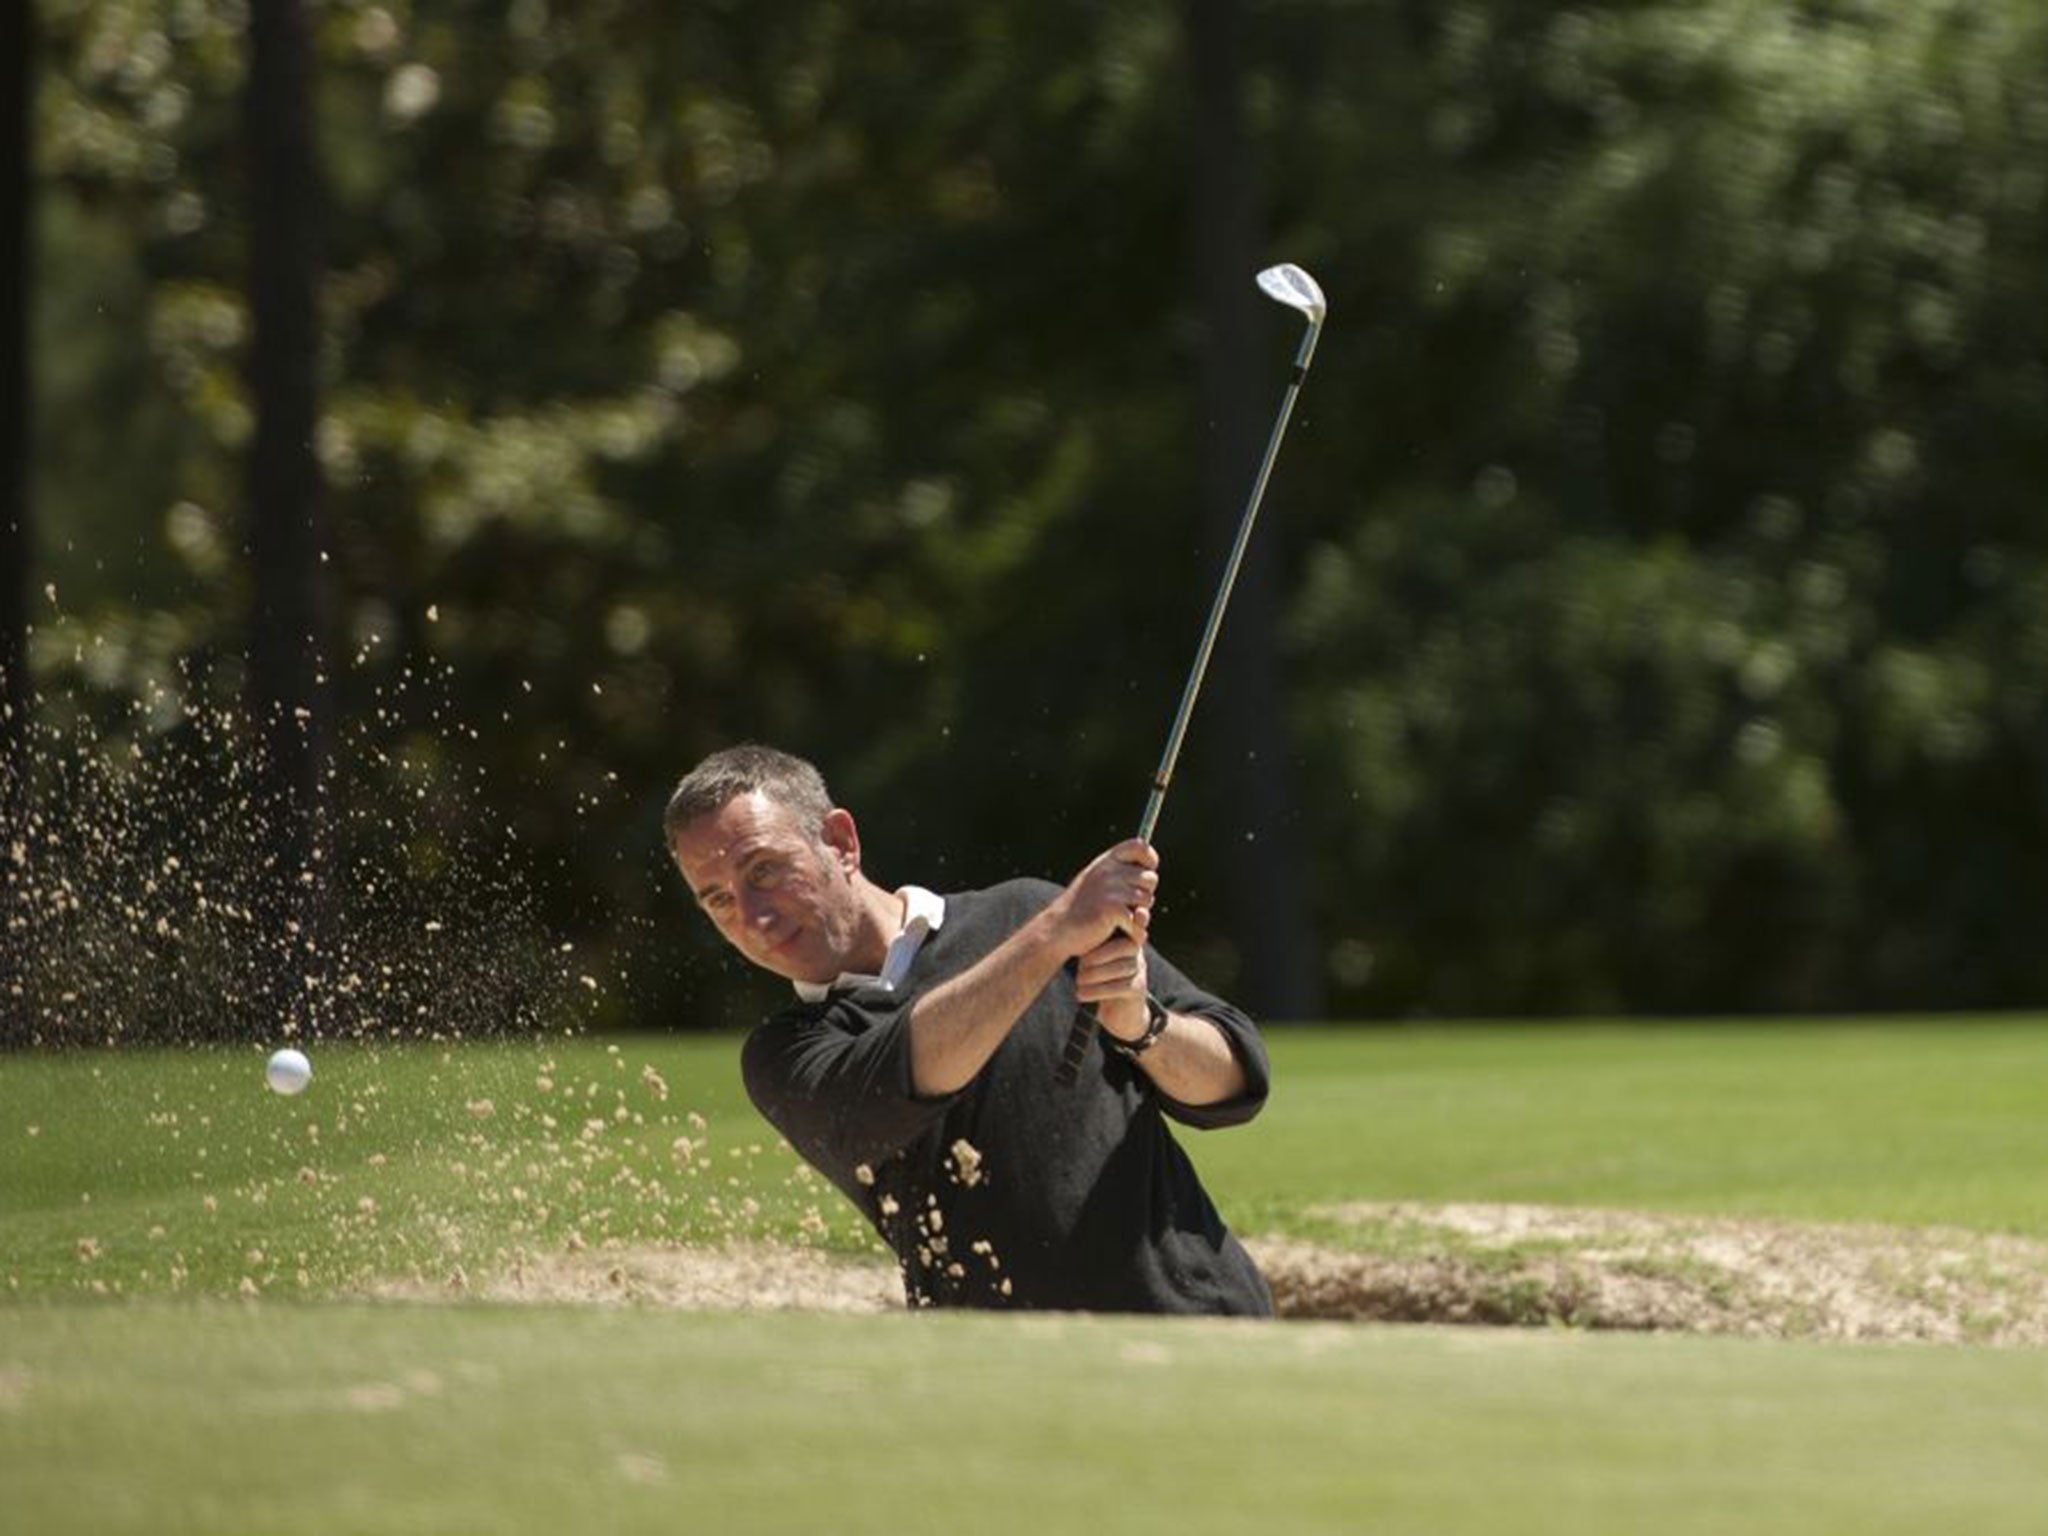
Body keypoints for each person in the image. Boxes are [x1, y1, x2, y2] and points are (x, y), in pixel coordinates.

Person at [663, 743, 1274, 1316]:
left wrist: (1144, 1025)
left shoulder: (1024, 911)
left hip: (1204, 1323)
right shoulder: (786, 1053)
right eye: (718, 900)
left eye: (764, 871)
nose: (753, 917)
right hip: (1000, 1382)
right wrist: (1053, 934)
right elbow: (903, 1078)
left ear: (840, 842)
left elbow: (1237, 1083)